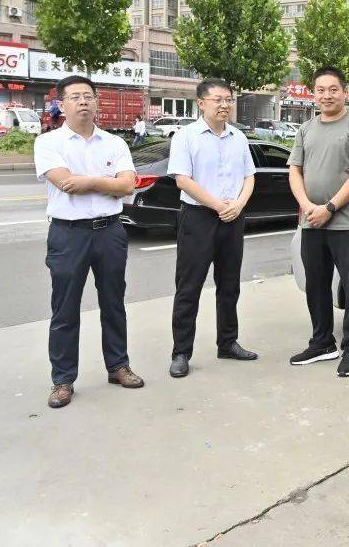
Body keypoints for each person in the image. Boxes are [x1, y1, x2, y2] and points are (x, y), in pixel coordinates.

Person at [33, 75, 145, 409]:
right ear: (61, 103)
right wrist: (106, 182)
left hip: (110, 231)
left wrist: (92, 181)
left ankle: (118, 366)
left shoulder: (114, 143)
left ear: (96, 102)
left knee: (114, 302)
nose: (83, 102)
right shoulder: (49, 143)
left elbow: (128, 186)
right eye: (75, 97)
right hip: (69, 234)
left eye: (88, 96)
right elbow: (65, 183)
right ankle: (63, 379)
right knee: (65, 309)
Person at [167, 78, 258, 378]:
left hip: (233, 218)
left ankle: (228, 342)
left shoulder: (238, 137)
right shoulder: (186, 136)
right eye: (218, 99)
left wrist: (238, 205)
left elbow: (249, 176)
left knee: (230, 284)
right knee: (189, 287)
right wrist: (219, 206)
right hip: (198, 218)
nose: (224, 105)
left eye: (228, 99)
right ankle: (181, 352)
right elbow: (183, 180)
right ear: (201, 103)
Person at [287, 67, 349, 378]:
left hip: (345, 223)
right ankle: (323, 342)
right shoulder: (306, 129)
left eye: (332, 89)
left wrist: (330, 206)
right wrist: (308, 206)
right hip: (311, 221)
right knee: (316, 286)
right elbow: (294, 170)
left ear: (344, 91)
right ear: (314, 93)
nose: (326, 95)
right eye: (320, 90)